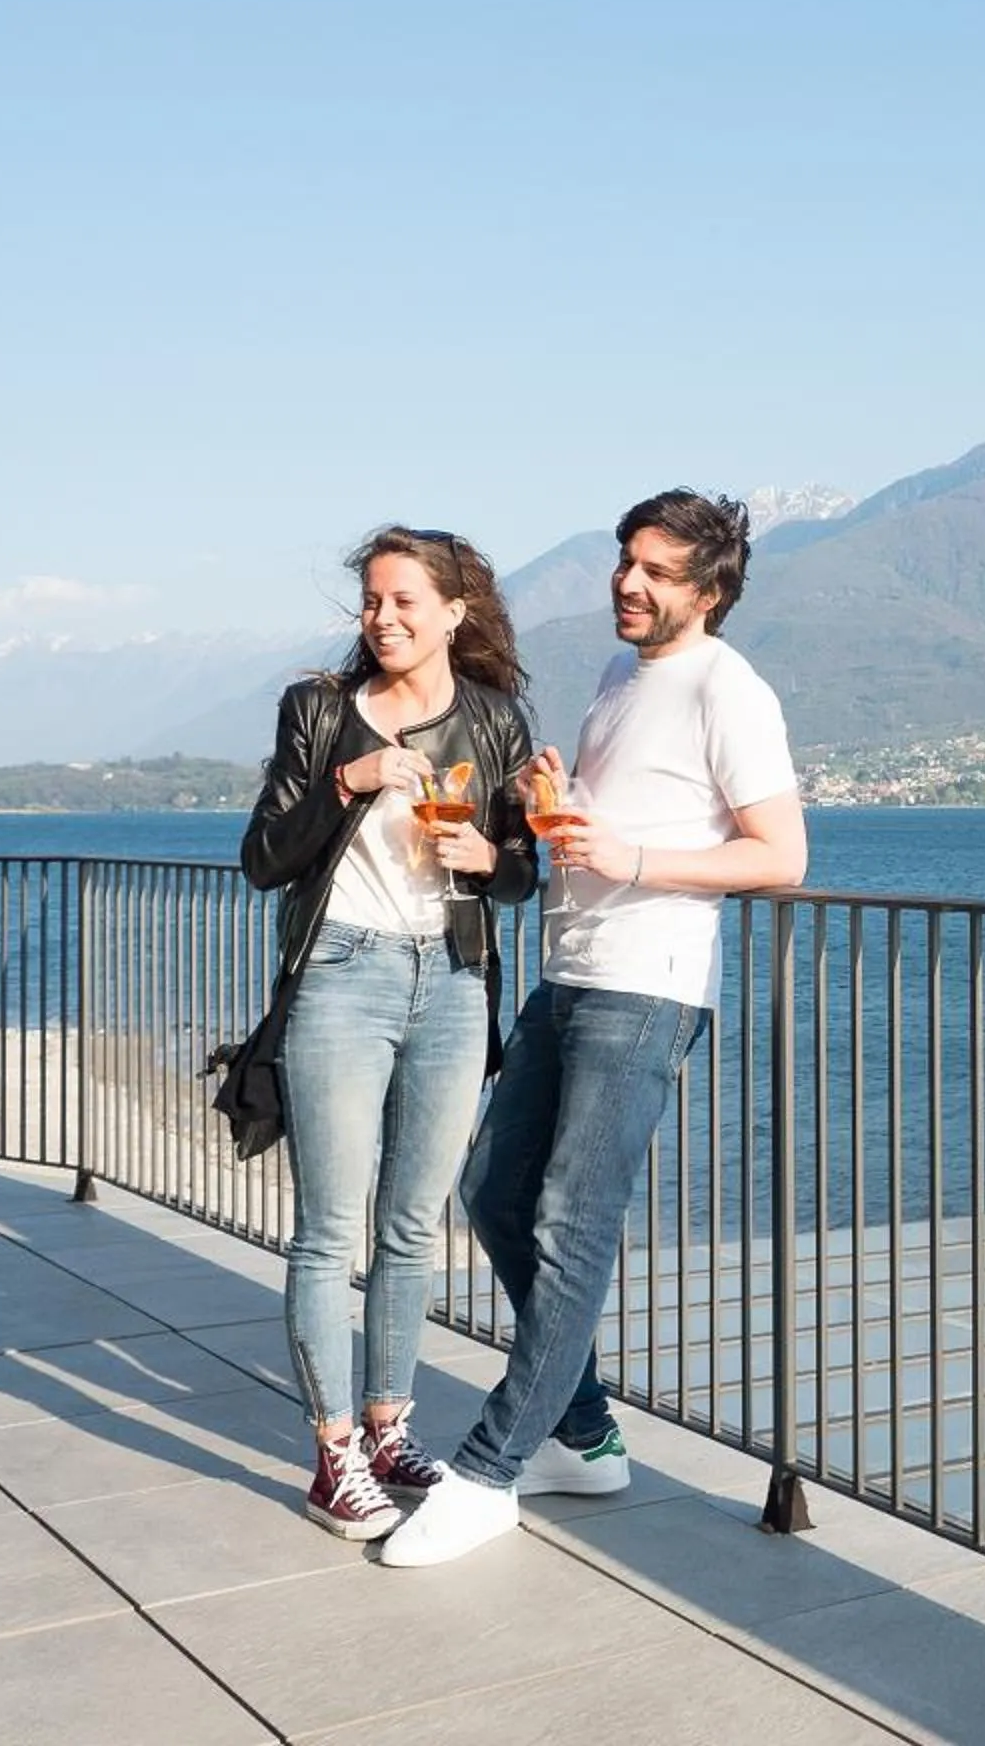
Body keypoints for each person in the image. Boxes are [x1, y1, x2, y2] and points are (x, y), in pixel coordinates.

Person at [383, 488, 807, 1566]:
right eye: (627, 561)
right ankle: (583, 1434)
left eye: (657, 571)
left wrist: (632, 858)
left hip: (646, 987)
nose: (629, 581)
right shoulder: (623, 675)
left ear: (707, 593)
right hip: (570, 973)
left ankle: (488, 1472)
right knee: (492, 1190)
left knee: (572, 1226)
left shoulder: (729, 687)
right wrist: (557, 802)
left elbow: (781, 855)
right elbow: (612, 830)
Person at [238, 526, 538, 1540]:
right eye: (373, 599)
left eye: (405, 599)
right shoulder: (321, 711)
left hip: (453, 979)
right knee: (329, 1229)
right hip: (341, 974)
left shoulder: (493, 719)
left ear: (455, 612)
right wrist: (347, 783)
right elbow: (265, 859)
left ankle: (388, 1427)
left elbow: (521, 873)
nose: (384, 617)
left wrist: (489, 855)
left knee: (413, 1225)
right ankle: (334, 1456)